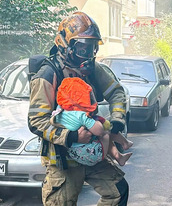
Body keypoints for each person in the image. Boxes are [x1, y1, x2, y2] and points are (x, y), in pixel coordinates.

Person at [28, 11, 129, 205]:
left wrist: (117, 118)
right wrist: (72, 136)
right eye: (83, 48)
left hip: (92, 151)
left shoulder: (92, 69)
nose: (89, 54)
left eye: (92, 48)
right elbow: (36, 121)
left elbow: (116, 92)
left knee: (118, 192)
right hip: (63, 160)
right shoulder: (48, 74)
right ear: (65, 45)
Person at [50, 77, 133, 167]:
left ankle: (119, 156)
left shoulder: (59, 112)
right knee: (105, 133)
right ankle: (125, 143)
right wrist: (98, 122)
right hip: (92, 154)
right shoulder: (81, 116)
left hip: (72, 153)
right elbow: (99, 131)